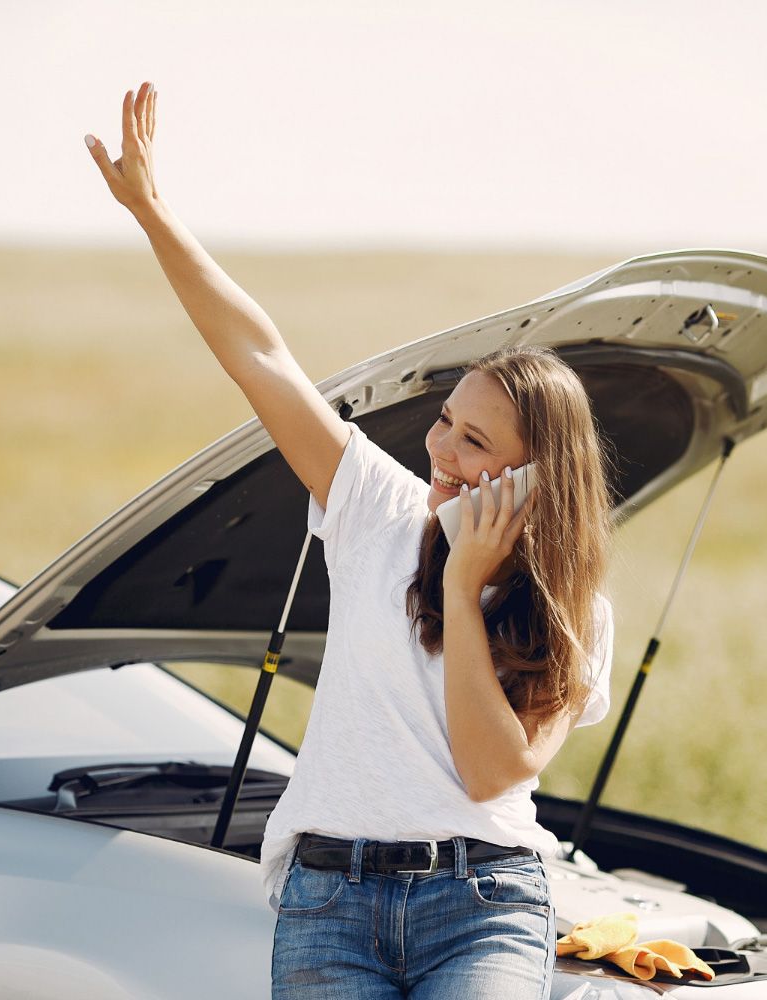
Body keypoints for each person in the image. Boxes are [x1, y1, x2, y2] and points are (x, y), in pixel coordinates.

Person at [85, 81, 615, 1000]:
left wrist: (461, 585)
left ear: (539, 476)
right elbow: (260, 356)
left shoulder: (575, 611)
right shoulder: (375, 505)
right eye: (445, 422)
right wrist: (154, 214)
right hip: (330, 903)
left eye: (475, 443)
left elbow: (494, 773)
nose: (440, 450)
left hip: (483, 901)